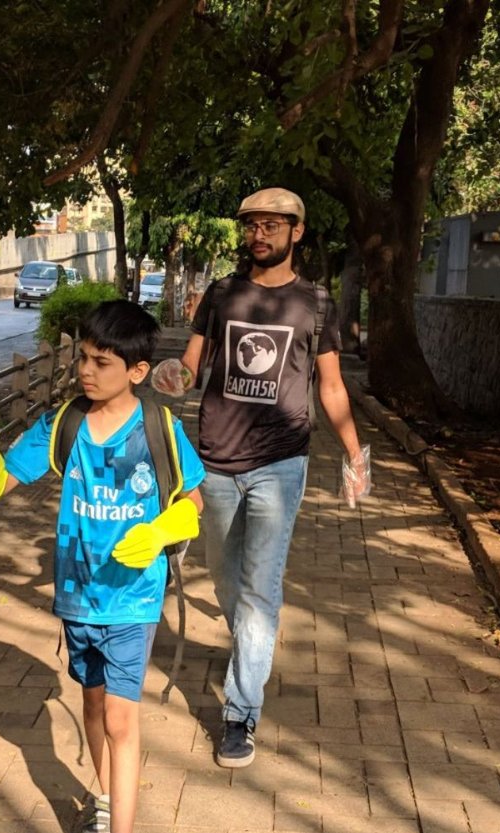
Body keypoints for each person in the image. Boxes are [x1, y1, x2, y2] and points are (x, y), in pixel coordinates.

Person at [0, 300, 206, 833]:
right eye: (82, 358)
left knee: (121, 717)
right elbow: (3, 484)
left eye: (100, 362)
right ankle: (106, 797)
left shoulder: (157, 430)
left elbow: (192, 504)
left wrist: (161, 531)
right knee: (92, 709)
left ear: (137, 372)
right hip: (76, 599)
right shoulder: (63, 422)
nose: (84, 372)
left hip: (133, 600)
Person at [151, 186, 371, 769]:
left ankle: (240, 712)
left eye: (273, 226)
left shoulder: (317, 304)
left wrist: (354, 454)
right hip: (216, 461)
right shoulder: (221, 294)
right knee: (226, 584)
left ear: (296, 233)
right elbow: (192, 370)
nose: (260, 235)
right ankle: (248, 643)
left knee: (259, 590)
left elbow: (330, 386)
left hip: (281, 463)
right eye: (252, 226)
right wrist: (170, 375)